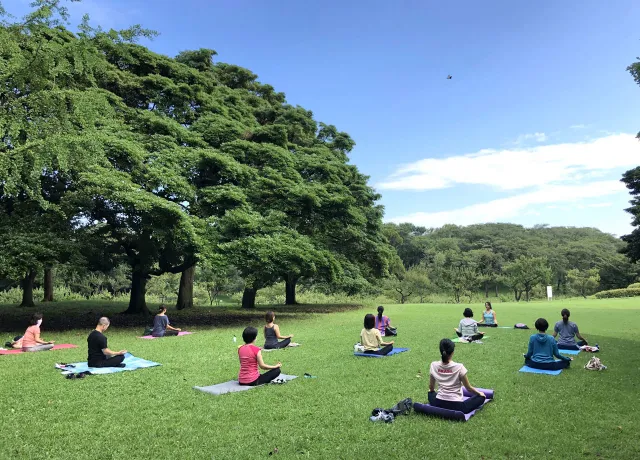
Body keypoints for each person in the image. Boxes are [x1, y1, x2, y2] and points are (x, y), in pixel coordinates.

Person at [428, 338, 486, 413]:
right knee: (481, 397)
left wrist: (432, 391)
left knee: (430, 392)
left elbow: (431, 387)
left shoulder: (433, 365)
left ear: (441, 351)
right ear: (452, 352)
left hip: (438, 403)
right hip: (458, 406)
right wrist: (479, 393)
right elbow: (468, 388)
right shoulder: (459, 367)